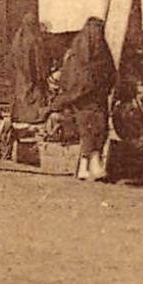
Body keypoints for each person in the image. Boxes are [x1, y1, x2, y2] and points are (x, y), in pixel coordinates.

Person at [53, 17, 116, 181]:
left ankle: (88, 167)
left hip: (88, 98)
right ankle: (92, 167)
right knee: (91, 131)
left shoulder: (81, 51)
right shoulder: (96, 52)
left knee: (95, 130)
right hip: (88, 100)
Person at [9, 17, 51, 125]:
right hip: (31, 74)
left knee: (21, 93)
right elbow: (37, 61)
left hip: (21, 74)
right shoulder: (33, 40)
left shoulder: (17, 40)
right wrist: (42, 74)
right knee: (32, 94)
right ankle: (32, 117)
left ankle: (19, 115)